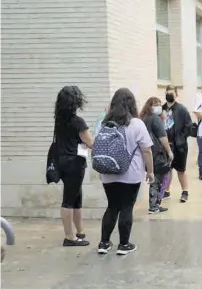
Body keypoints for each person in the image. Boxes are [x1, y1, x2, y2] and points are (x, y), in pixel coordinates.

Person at [97, 88, 154, 255]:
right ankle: (124, 245)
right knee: (127, 207)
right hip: (131, 173)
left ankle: (104, 243)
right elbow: (147, 151)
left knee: (112, 206)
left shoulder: (104, 123)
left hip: (107, 172)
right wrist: (150, 172)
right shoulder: (136, 124)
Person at [54, 86, 94, 247]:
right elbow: (90, 142)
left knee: (76, 197)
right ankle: (69, 237)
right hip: (75, 164)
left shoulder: (59, 120)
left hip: (62, 162)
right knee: (70, 200)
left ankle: (80, 231)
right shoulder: (78, 122)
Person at [140, 97, 173, 214]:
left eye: (159, 104)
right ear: (149, 105)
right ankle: (154, 205)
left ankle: (155, 204)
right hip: (156, 152)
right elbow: (162, 137)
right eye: (155, 104)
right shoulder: (155, 118)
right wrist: (169, 151)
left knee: (154, 176)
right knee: (158, 179)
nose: (158, 106)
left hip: (144, 153)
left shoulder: (142, 118)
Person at [162, 85, 192, 203]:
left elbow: (189, 126)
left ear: (176, 94)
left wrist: (181, 139)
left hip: (179, 146)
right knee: (167, 169)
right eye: (167, 92)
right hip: (166, 145)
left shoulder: (182, 109)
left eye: (172, 93)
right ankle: (166, 191)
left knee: (181, 169)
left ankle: (185, 191)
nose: (169, 94)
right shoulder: (161, 109)